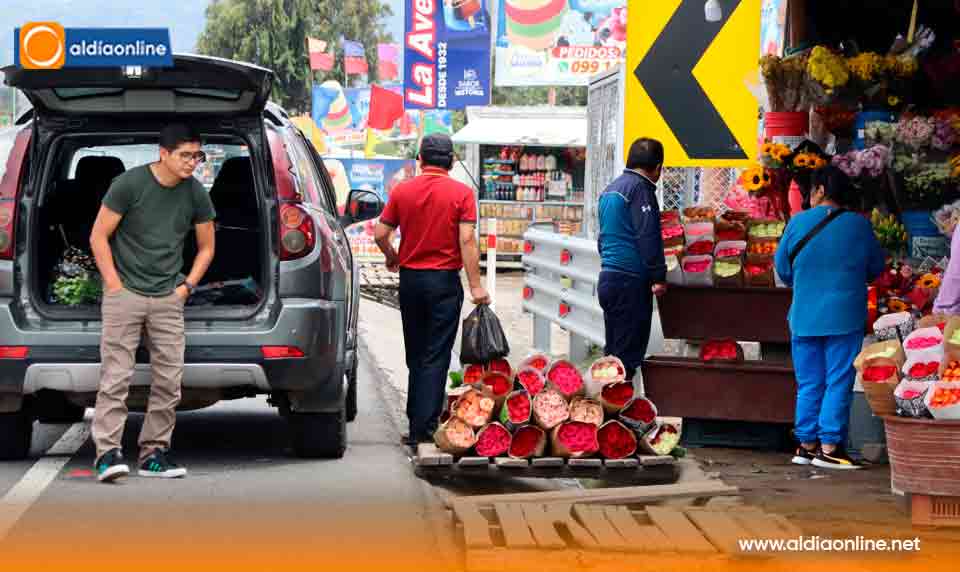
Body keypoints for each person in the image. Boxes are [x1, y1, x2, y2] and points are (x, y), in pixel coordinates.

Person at [89, 124, 216, 482]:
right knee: (116, 377)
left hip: (168, 297)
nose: (192, 162)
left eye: (197, 155)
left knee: (169, 381)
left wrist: (187, 287)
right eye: (185, 155)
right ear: (164, 154)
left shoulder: (195, 193)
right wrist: (115, 286)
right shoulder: (129, 185)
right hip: (125, 295)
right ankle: (107, 454)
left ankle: (154, 454)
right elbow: (98, 236)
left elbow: (207, 247)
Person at [374, 133, 490, 448]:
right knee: (435, 355)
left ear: (420, 159)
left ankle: (416, 422)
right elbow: (467, 239)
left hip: (411, 281)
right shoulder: (462, 193)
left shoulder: (402, 190)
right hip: (444, 283)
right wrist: (476, 286)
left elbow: (381, 232)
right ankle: (423, 431)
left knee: (416, 354)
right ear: (451, 162)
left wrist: (392, 256)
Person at [774, 165, 885, 470]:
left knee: (809, 382)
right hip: (844, 316)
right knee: (838, 380)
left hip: (804, 315)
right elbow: (875, 267)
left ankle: (806, 445)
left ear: (821, 190)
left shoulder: (797, 223)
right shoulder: (859, 225)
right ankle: (831, 447)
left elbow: (783, 269)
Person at [597, 138, 668, 382]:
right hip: (630, 283)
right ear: (657, 167)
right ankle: (620, 404)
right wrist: (658, 276)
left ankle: (605, 402)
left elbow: (603, 239)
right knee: (626, 360)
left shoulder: (610, 190)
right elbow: (648, 236)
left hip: (608, 279)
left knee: (613, 356)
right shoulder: (641, 190)